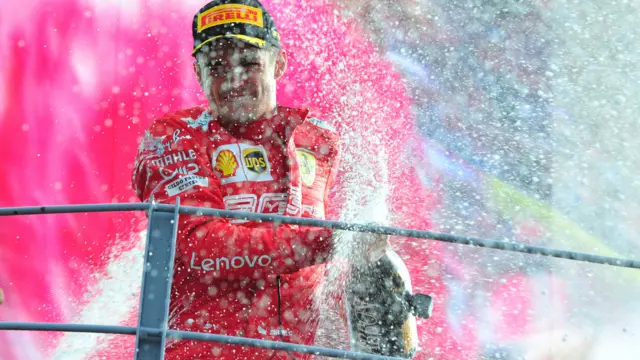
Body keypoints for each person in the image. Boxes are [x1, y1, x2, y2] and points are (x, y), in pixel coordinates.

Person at [132, 0, 351, 358]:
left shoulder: (320, 139)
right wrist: (335, 242)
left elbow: (327, 270)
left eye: (249, 62)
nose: (234, 78)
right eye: (216, 66)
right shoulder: (173, 135)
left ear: (278, 63)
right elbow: (200, 247)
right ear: (197, 73)